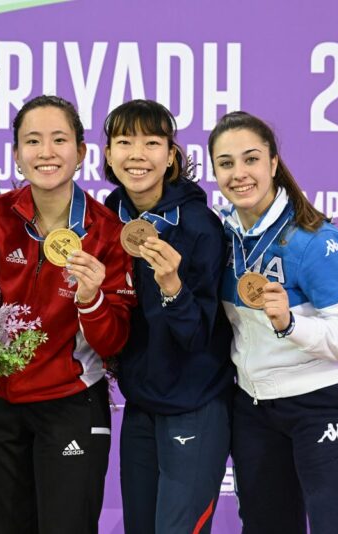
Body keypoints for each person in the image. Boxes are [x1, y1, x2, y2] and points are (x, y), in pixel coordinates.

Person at [0, 95, 136, 534]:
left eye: (59, 139)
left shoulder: (107, 232)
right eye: (32, 141)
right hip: (0, 403)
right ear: (16, 154)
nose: (46, 152)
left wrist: (91, 298)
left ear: (81, 152)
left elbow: (113, 343)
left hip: (71, 403)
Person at [209, 111, 338, 534]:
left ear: (273, 164)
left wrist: (289, 324)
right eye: (226, 164)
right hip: (254, 408)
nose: (239, 173)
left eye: (251, 159)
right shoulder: (220, 238)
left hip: (324, 402)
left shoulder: (315, 240)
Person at [102, 99, 235, 534]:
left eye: (152, 142)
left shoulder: (198, 226)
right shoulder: (107, 216)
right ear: (107, 154)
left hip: (193, 401)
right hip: (141, 402)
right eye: (124, 142)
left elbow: (199, 335)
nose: (137, 154)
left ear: (172, 155)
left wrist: (173, 287)